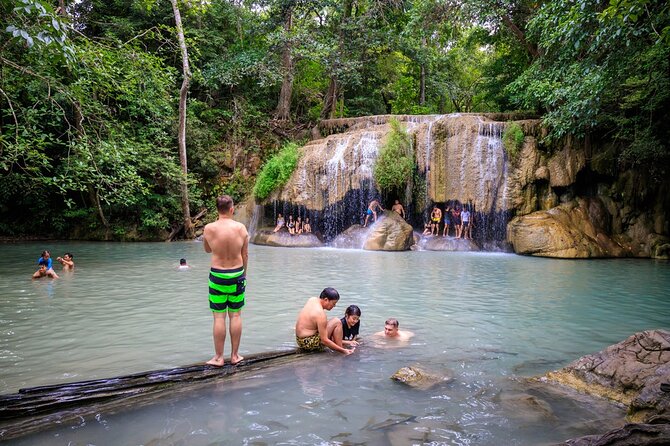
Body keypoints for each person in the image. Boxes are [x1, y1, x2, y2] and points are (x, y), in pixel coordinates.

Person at [203, 195, 249, 367]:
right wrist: (244, 275)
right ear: (231, 209)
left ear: (217, 209)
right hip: (237, 274)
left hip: (218, 275)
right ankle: (235, 356)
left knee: (219, 318)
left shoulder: (209, 228)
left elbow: (208, 249)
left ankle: (219, 357)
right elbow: (245, 254)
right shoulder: (241, 228)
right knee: (236, 315)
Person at [295, 287, 354, 355]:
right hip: (308, 344)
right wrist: (342, 351)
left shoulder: (312, 299)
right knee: (337, 321)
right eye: (333, 303)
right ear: (326, 300)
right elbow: (324, 341)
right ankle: (341, 349)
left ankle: (339, 344)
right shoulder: (321, 314)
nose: (334, 306)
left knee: (330, 323)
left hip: (299, 340)